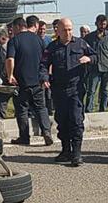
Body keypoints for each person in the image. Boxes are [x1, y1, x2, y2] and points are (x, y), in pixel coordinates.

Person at [39, 18, 95, 167]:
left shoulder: (80, 43)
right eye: (65, 30)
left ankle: (76, 153)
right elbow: (43, 64)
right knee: (62, 121)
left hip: (76, 89)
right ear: (58, 30)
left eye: (70, 29)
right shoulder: (52, 47)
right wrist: (44, 78)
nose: (68, 32)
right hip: (59, 89)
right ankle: (66, 150)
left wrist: (88, 58)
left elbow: (95, 56)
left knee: (76, 121)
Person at [6, 16, 53, 145]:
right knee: (41, 108)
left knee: (22, 109)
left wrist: (10, 75)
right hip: (37, 80)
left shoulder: (14, 41)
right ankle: (47, 132)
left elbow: (10, 59)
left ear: (17, 27)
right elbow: (46, 59)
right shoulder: (39, 39)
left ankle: (24, 137)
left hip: (21, 82)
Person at [83, 14, 108, 113]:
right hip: (94, 67)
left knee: (105, 90)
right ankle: (89, 110)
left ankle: (103, 110)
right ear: (96, 24)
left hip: (107, 67)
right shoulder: (89, 37)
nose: (102, 26)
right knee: (91, 90)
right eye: (100, 24)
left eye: (104, 24)